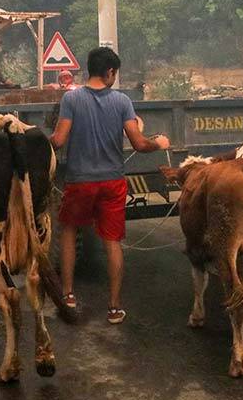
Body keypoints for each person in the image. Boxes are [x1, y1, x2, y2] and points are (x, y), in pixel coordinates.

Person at [49, 47, 170, 323]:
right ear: (110, 72)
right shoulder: (122, 101)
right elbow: (139, 144)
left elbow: (58, 140)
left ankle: (67, 294)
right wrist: (159, 143)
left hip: (79, 181)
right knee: (112, 242)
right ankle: (114, 307)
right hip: (113, 182)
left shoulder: (71, 99)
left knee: (68, 231)